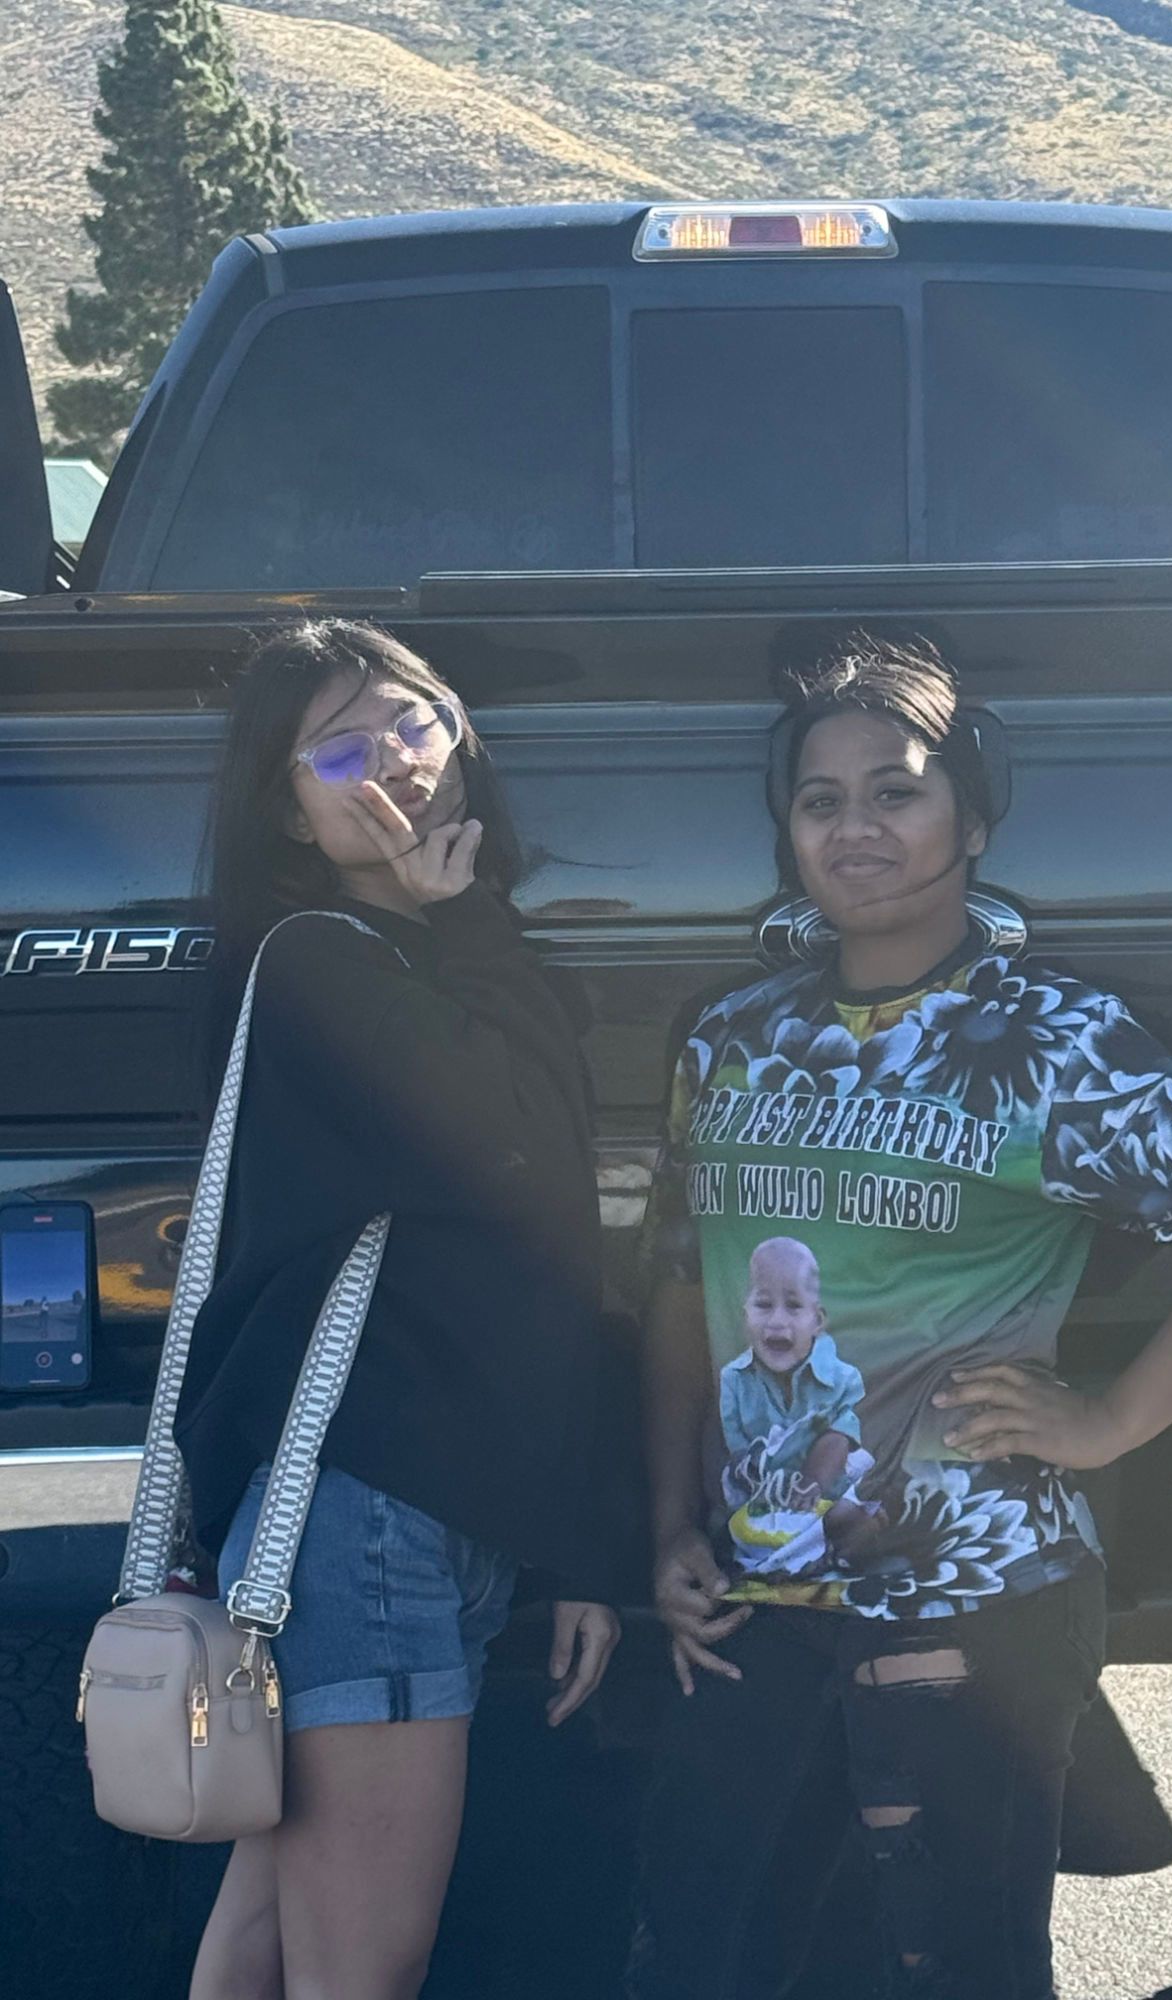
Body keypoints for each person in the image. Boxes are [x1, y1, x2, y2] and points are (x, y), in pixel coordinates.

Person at [634, 633, 1172, 1999]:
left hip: (977, 1602)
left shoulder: (1054, 1042)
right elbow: (676, 1290)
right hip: (752, 1605)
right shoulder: (728, 1040)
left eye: (895, 790)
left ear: (975, 817)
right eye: (820, 799)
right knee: (722, 1965)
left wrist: (1110, 1420)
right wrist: (667, 1525)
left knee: (957, 1971)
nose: (857, 827)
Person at [177, 619, 627, 2000]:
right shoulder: (327, 966)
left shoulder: (409, 959)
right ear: (289, 815)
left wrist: (579, 1545)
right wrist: (470, 922)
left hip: (395, 1519)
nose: (402, 765)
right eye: (346, 749)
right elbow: (517, 1152)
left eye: (417, 720)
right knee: (362, 1967)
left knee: (274, 1944)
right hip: (369, 1529)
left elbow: (537, 1275)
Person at [719, 1236, 884, 1576]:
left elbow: (839, 1436)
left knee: (860, 1507)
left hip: (823, 1488)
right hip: (763, 1495)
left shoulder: (841, 1376)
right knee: (737, 1528)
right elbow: (733, 1447)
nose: (777, 1321)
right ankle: (792, 1555)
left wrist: (813, 1483)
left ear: (817, 1319)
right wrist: (749, 1480)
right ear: (745, 1313)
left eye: (794, 1307)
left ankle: (839, 1548)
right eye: (763, 1305)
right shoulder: (734, 1379)